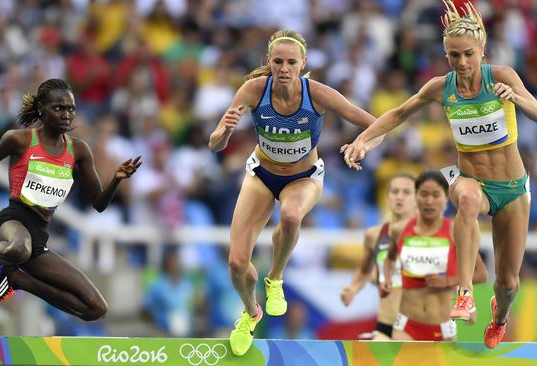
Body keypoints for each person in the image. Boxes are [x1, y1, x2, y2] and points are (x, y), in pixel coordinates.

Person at [342, 1, 537, 348]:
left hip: (512, 187)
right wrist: (363, 139)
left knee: (508, 283)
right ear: (446, 55)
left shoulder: (501, 76)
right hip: (472, 181)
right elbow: (399, 112)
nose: (462, 63)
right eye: (454, 55)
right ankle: (465, 292)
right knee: (465, 199)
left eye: (469, 54)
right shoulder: (441, 87)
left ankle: (499, 317)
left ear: (482, 52)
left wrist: (516, 98)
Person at [208, 29, 383, 356]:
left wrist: (361, 144)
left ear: (302, 64)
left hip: (304, 177)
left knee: (290, 216)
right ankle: (250, 313)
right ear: (269, 63)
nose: (284, 68)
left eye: (291, 62)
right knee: (236, 262)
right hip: (261, 174)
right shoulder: (253, 90)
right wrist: (225, 129)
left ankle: (275, 279)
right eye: (278, 61)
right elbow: (215, 145)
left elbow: (377, 125)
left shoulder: (317, 94)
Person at [0, 79, 142, 321]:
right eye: (59, 108)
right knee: (19, 248)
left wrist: (117, 179)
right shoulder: (20, 139)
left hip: (39, 239)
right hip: (12, 222)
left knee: (95, 309)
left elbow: (99, 204)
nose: (67, 115)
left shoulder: (79, 150)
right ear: (41, 110)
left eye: (71, 109)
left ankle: (19, 280)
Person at [380, 171, 487, 341]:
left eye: (436, 195)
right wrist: (386, 279)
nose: (429, 201)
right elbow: (390, 259)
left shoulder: (455, 231)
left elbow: (481, 274)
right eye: (424, 194)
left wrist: (448, 282)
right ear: (415, 197)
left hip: (443, 328)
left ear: (446, 198)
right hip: (406, 326)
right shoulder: (398, 229)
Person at [340, 173, 417, 340]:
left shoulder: (431, 235)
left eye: (406, 192)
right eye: (395, 192)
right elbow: (364, 271)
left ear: (417, 198)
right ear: (387, 197)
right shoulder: (374, 235)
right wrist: (353, 288)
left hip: (418, 328)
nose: (399, 197)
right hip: (385, 325)